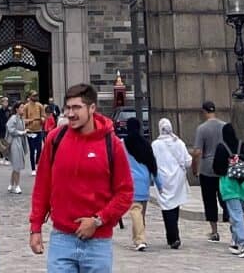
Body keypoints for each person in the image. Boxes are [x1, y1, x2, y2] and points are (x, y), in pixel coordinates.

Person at [28, 82, 133, 273]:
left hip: (98, 242)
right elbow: (42, 186)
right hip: (61, 239)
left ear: (92, 108)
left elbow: (125, 193)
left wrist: (98, 220)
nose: (70, 113)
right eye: (68, 107)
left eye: (76, 107)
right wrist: (35, 227)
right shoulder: (55, 139)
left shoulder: (112, 145)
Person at [209, 121, 244, 258]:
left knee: (236, 217)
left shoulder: (221, 147)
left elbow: (216, 168)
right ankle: (235, 242)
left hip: (229, 186)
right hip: (242, 186)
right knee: (238, 215)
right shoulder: (242, 146)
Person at [148, 118, 190, 248]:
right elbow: (188, 161)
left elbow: (152, 162)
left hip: (162, 179)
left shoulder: (155, 145)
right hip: (177, 178)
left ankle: (172, 236)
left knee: (166, 207)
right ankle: (173, 235)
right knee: (174, 205)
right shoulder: (179, 143)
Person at [190, 101, 226, 242]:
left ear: (204, 112)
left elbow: (197, 152)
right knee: (225, 198)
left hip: (207, 169)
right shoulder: (224, 126)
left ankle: (214, 230)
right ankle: (232, 225)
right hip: (223, 168)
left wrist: (194, 168)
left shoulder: (202, 129)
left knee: (209, 200)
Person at [121, 116, 154, 252]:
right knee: (141, 213)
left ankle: (140, 239)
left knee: (135, 211)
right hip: (145, 180)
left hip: (131, 180)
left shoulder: (123, 144)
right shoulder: (146, 144)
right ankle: (138, 238)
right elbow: (152, 163)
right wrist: (157, 181)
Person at [6, 106, 30, 194]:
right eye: (21, 108)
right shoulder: (13, 118)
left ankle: (11, 184)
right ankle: (17, 186)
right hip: (14, 142)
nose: (23, 109)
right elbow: (11, 129)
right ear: (16, 109)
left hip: (19, 141)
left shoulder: (21, 118)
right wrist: (22, 132)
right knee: (17, 164)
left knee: (16, 164)